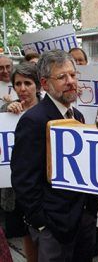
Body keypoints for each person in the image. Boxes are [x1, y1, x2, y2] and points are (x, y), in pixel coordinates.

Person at [11, 49, 98, 262]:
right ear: (45, 83)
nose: (70, 81)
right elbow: (23, 180)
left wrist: (90, 210)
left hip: (82, 221)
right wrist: (42, 223)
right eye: (61, 77)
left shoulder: (76, 115)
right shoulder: (33, 120)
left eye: (73, 75)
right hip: (54, 229)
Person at [0, 63, 41, 262]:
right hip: (17, 189)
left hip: (42, 186)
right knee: (26, 233)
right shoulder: (6, 110)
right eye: (18, 84)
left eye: (27, 83)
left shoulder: (47, 109)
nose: (22, 88)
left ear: (38, 85)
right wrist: (6, 111)